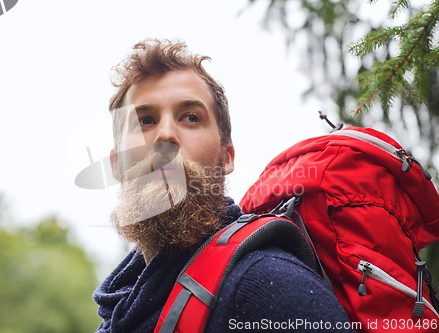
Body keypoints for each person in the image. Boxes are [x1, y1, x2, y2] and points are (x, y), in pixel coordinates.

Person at [93, 38, 354, 333]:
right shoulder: (119, 307)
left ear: (226, 157)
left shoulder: (267, 287)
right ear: (116, 164)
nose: (165, 135)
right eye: (145, 121)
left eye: (191, 117)